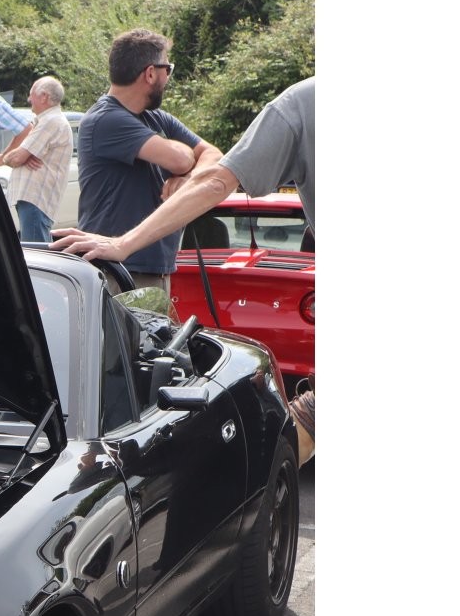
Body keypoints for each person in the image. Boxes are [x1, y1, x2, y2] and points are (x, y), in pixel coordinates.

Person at [52, 76, 316, 461]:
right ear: (149, 72)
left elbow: (214, 170)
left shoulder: (304, 102)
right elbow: (208, 168)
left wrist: (122, 243)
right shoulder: (108, 119)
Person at [72, 29, 220, 296]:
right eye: (168, 69)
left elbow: (215, 156)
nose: (167, 77)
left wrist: (186, 178)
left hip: (151, 268)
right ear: (151, 73)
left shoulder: (157, 119)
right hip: (118, 270)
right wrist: (187, 163)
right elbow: (180, 157)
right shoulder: (106, 119)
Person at [1, 76, 71, 242]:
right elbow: (19, 156)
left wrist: (10, 157)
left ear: (44, 96)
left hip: (35, 200)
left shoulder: (50, 120)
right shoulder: (47, 120)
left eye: (31, 94)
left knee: (36, 258)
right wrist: (20, 156)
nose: (28, 99)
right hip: (34, 200)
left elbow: (16, 158)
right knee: (37, 254)